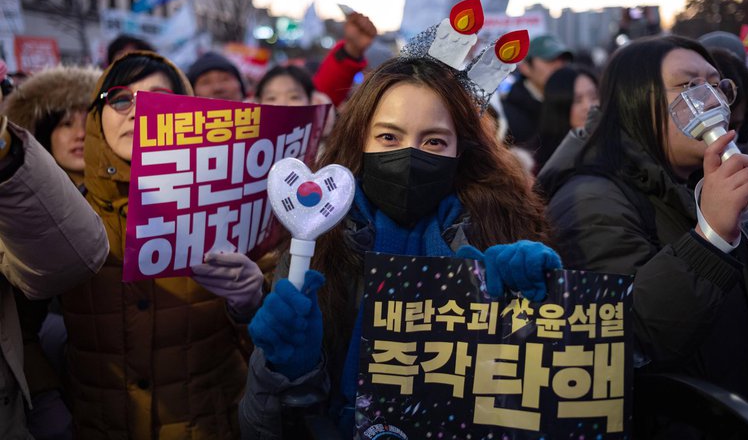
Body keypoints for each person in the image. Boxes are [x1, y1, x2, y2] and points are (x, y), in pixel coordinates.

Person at [240, 52, 562, 438]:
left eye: (434, 141)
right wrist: (287, 372)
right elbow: (260, 428)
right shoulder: (317, 242)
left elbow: (539, 400)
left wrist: (531, 310)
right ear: (361, 139)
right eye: (389, 136)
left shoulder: (499, 228)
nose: (409, 155)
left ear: (462, 148)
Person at [536, 35, 748, 430]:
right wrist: (709, 237)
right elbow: (629, 336)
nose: (710, 99)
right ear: (634, 101)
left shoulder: (703, 179)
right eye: (688, 86)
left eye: (717, 84)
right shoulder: (588, 199)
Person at [58, 51, 265, 439]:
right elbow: (19, 330)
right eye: (120, 98)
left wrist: (253, 304)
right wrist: (46, 403)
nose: (137, 110)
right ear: (96, 117)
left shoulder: (232, 206)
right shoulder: (65, 213)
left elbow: (271, 353)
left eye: (158, 98)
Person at [0, 59, 109, 440]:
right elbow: (22, 332)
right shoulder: (19, 210)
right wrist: (47, 395)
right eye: (65, 123)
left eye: (88, 122)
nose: (80, 133)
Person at [500, 33, 573, 147]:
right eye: (550, 60)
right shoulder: (505, 116)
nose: (559, 66)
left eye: (563, 60)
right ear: (525, 67)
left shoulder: (573, 106)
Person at [533, 65, 600, 172]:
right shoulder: (542, 166)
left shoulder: (619, 144)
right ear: (559, 107)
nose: (588, 106)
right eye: (577, 100)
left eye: (593, 96)